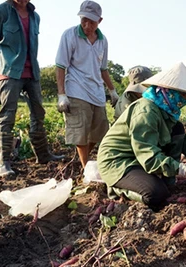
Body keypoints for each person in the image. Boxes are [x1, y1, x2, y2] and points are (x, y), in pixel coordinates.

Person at [97, 62, 186, 210]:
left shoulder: (165, 110)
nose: (184, 100)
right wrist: (185, 170)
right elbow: (149, 158)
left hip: (139, 159)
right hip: (118, 161)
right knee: (156, 195)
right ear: (167, 91)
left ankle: (164, 179)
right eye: (182, 95)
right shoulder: (146, 112)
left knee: (177, 128)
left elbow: (179, 139)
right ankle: (116, 189)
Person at [0, 0, 63, 179]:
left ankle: (43, 155)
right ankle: (4, 163)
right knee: (7, 116)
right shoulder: (0, 12)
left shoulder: (35, 16)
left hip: (32, 72)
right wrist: (1, 64)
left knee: (39, 113)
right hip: (10, 72)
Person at [55, 0, 119, 168]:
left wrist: (112, 91)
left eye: (91, 21)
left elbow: (103, 68)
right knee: (80, 133)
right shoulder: (69, 35)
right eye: (84, 19)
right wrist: (62, 94)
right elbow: (61, 65)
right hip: (76, 90)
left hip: (96, 92)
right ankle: (86, 169)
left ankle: (88, 163)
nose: (87, 24)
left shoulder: (102, 41)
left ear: (100, 21)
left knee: (100, 133)